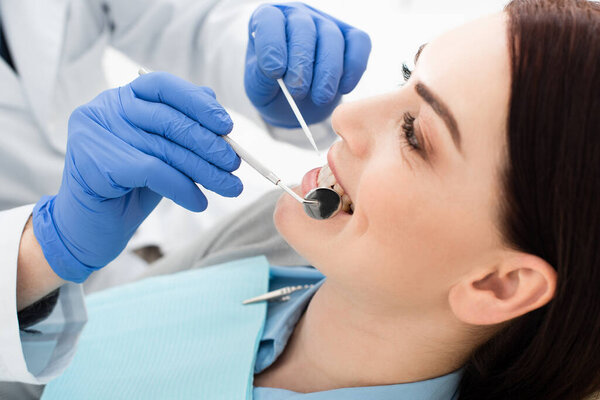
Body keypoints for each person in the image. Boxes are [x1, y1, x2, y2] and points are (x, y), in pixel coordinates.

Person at [6, 0, 600, 399]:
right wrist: (37, 261)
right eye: (403, 76)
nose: (345, 113)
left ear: (498, 285)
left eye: (416, 134)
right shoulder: (268, 237)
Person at [1, 1, 371, 384]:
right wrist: (38, 253)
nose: (347, 119)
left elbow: (190, 21)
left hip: (178, 235)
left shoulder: (279, 235)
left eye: (414, 135)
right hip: (33, 334)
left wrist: (279, 69)